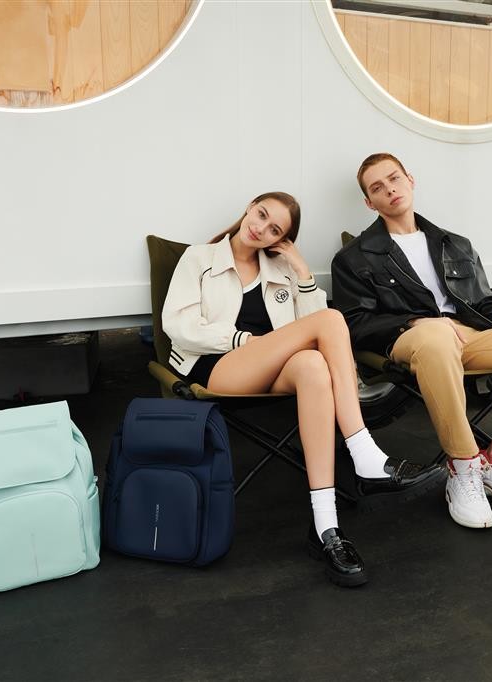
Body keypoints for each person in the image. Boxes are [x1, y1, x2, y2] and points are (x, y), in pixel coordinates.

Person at [163, 191, 444, 587]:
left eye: (274, 229)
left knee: (312, 365)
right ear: (249, 208)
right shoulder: (199, 258)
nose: (261, 228)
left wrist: (302, 271)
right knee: (331, 320)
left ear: (281, 239)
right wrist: (243, 341)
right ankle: (364, 451)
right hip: (216, 369)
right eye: (261, 215)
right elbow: (178, 325)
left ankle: (326, 528)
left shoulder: (280, 269)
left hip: (271, 368)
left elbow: (315, 334)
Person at [331, 155, 492, 530]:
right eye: (377, 188)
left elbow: (481, 299)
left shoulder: (454, 244)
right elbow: (354, 324)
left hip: (468, 336)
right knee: (436, 334)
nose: (390, 189)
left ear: (410, 180)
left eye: (394, 178)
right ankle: (463, 465)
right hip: (411, 338)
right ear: (370, 203)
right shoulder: (353, 258)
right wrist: (415, 321)